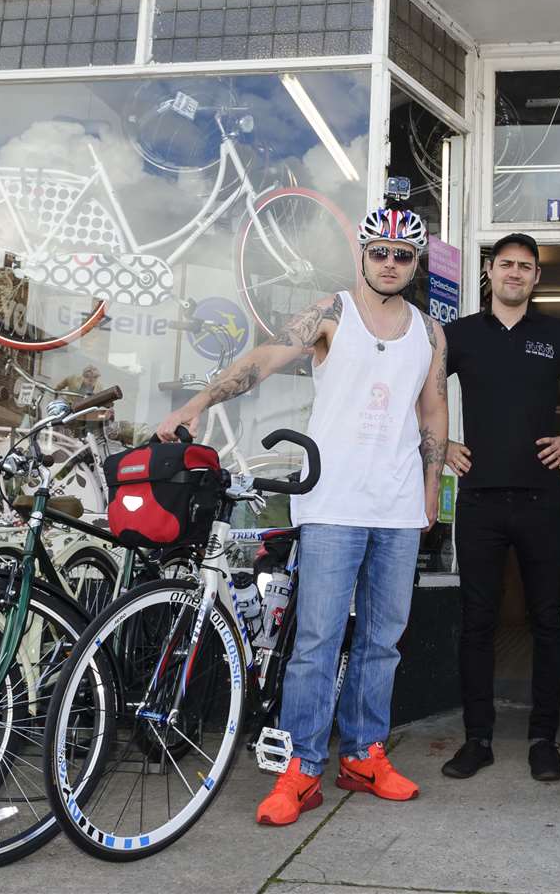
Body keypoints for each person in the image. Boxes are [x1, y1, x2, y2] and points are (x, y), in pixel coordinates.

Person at [154, 206, 449, 827]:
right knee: (316, 641)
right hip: (332, 501)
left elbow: (433, 414)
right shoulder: (331, 312)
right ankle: (301, 766)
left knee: (382, 640)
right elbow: (263, 359)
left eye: (403, 255)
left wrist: (431, 486)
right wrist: (201, 401)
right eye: (380, 252)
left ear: (416, 264)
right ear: (363, 255)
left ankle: (365, 755)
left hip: (396, 506)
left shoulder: (429, 330)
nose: (390, 263)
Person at [439, 232, 560, 783]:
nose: (515, 274)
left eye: (526, 266)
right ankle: (478, 740)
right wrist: (442, 445)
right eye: (506, 265)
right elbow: (413, 388)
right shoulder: (460, 336)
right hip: (480, 500)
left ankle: (544, 738)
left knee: (549, 622)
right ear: (489, 273)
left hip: (544, 500)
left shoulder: (559, 335)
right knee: (477, 623)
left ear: (537, 277)